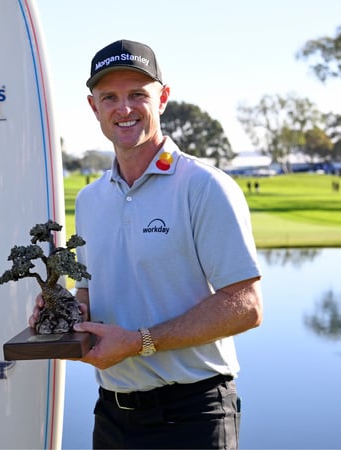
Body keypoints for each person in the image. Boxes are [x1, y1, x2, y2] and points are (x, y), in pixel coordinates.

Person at [31, 39, 263, 449]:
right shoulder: (89, 199)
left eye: (137, 94)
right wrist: (66, 309)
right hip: (111, 416)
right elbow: (89, 287)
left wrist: (140, 342)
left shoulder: (205, 187)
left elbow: (246, 305)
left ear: (163, 98)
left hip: (193, 414)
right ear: (93, 107)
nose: (124, 109)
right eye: (110, 97)